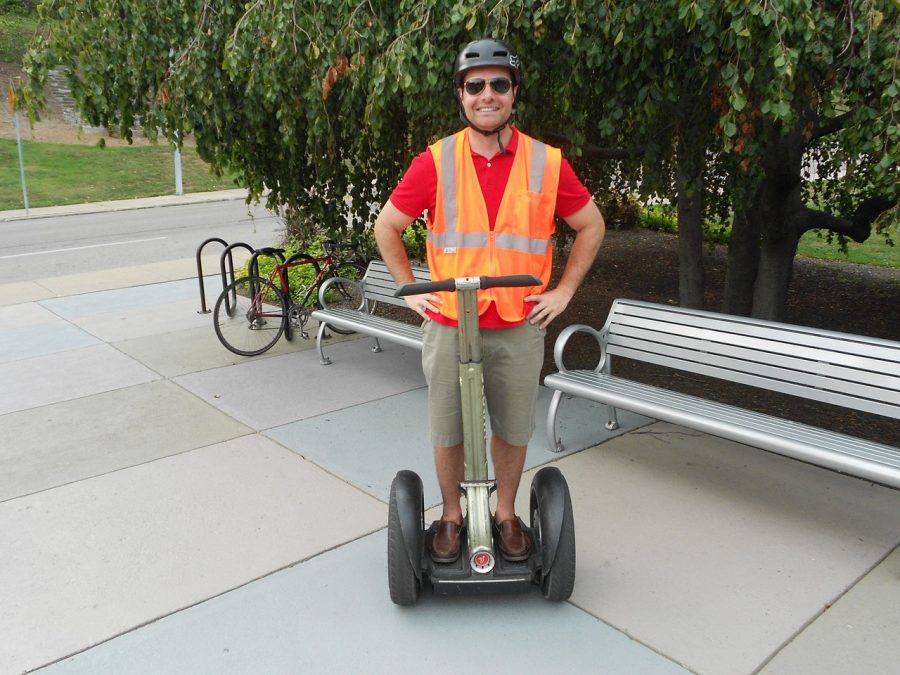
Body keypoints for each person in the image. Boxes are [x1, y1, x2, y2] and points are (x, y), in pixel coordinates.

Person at [374, 38, 605, 564]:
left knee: (513, 424)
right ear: (461, 95)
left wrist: (565, 291)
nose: (487, 94)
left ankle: (505, 514)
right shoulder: (435, 162)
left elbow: (591, 225)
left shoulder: (546, 162)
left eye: (499, 84)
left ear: (514, 93)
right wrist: (412, 293)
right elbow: (387, 227)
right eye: (475, 85)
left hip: (519, 321)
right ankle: (452, 517)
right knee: (448, 424)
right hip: (452, 320)